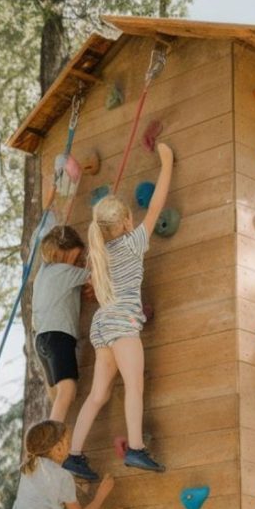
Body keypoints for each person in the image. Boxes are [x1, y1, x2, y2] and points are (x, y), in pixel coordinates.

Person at [62, 141, 175, 480]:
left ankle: (74, 455)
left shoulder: (99, 255)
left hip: (103, 325)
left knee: (99, 394)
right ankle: (136, 449)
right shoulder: (133, 243)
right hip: (123, 324)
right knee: (134, 386)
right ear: (127, 222)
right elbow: (156, 206)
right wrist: (167, 164)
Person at [33, 226, 92, 426]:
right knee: (68, 390)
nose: (78, 261)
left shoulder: (43, 273)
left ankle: (53, 428)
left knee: (60, 393)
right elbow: (96, 276)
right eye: (76, 257)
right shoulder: (65, 271)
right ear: (63, 252)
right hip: (59, 336)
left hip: (41, 340)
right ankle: (52, 438)